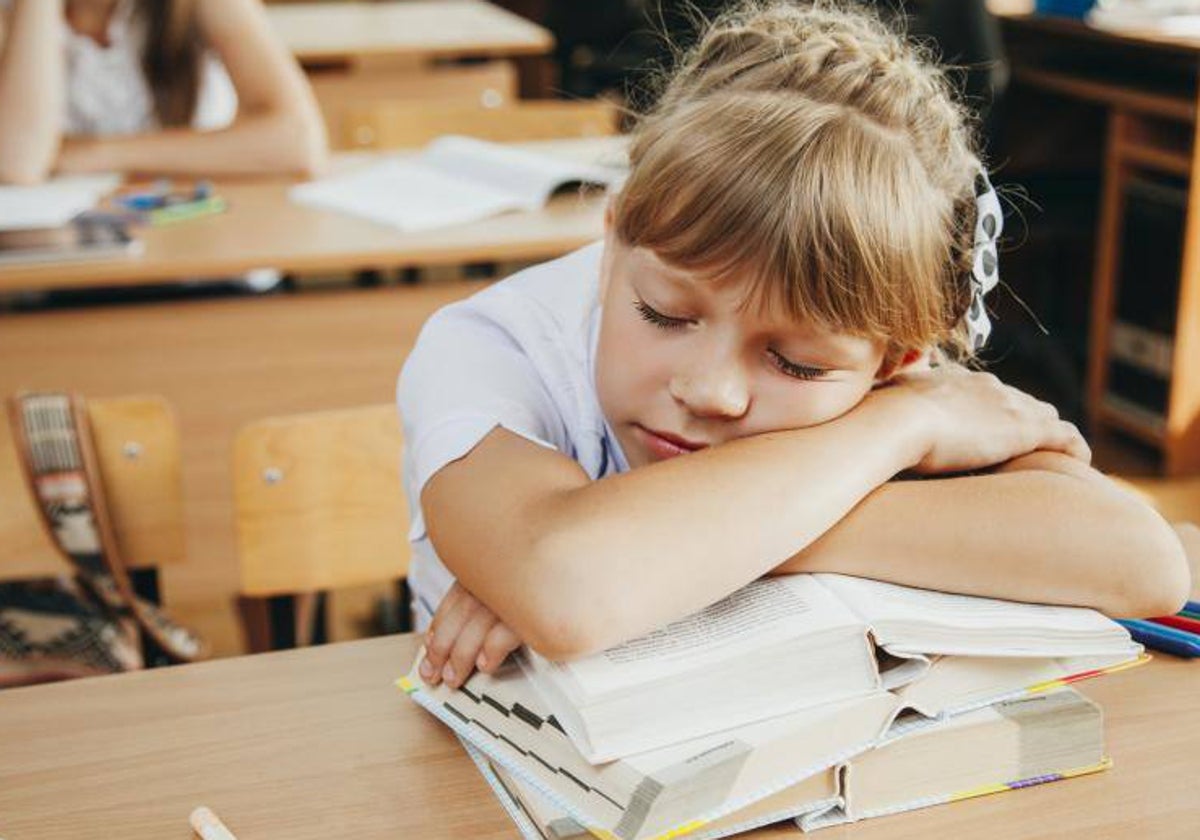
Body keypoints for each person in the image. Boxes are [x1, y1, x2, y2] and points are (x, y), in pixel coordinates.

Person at [400, 1, 1190, 691]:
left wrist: (645, 550)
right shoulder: (488, 350)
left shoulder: (887, 348)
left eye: (795, 364)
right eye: (665, 314)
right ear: (612, 244)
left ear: (898, 360)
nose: (711, 391)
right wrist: (891, 435)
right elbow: (571, 587)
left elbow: (1140, 562)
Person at [0, 0, 326, 185]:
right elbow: (17, 164)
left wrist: (98, 153)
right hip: (67, 277)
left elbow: (297, 142)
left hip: (206, 259)